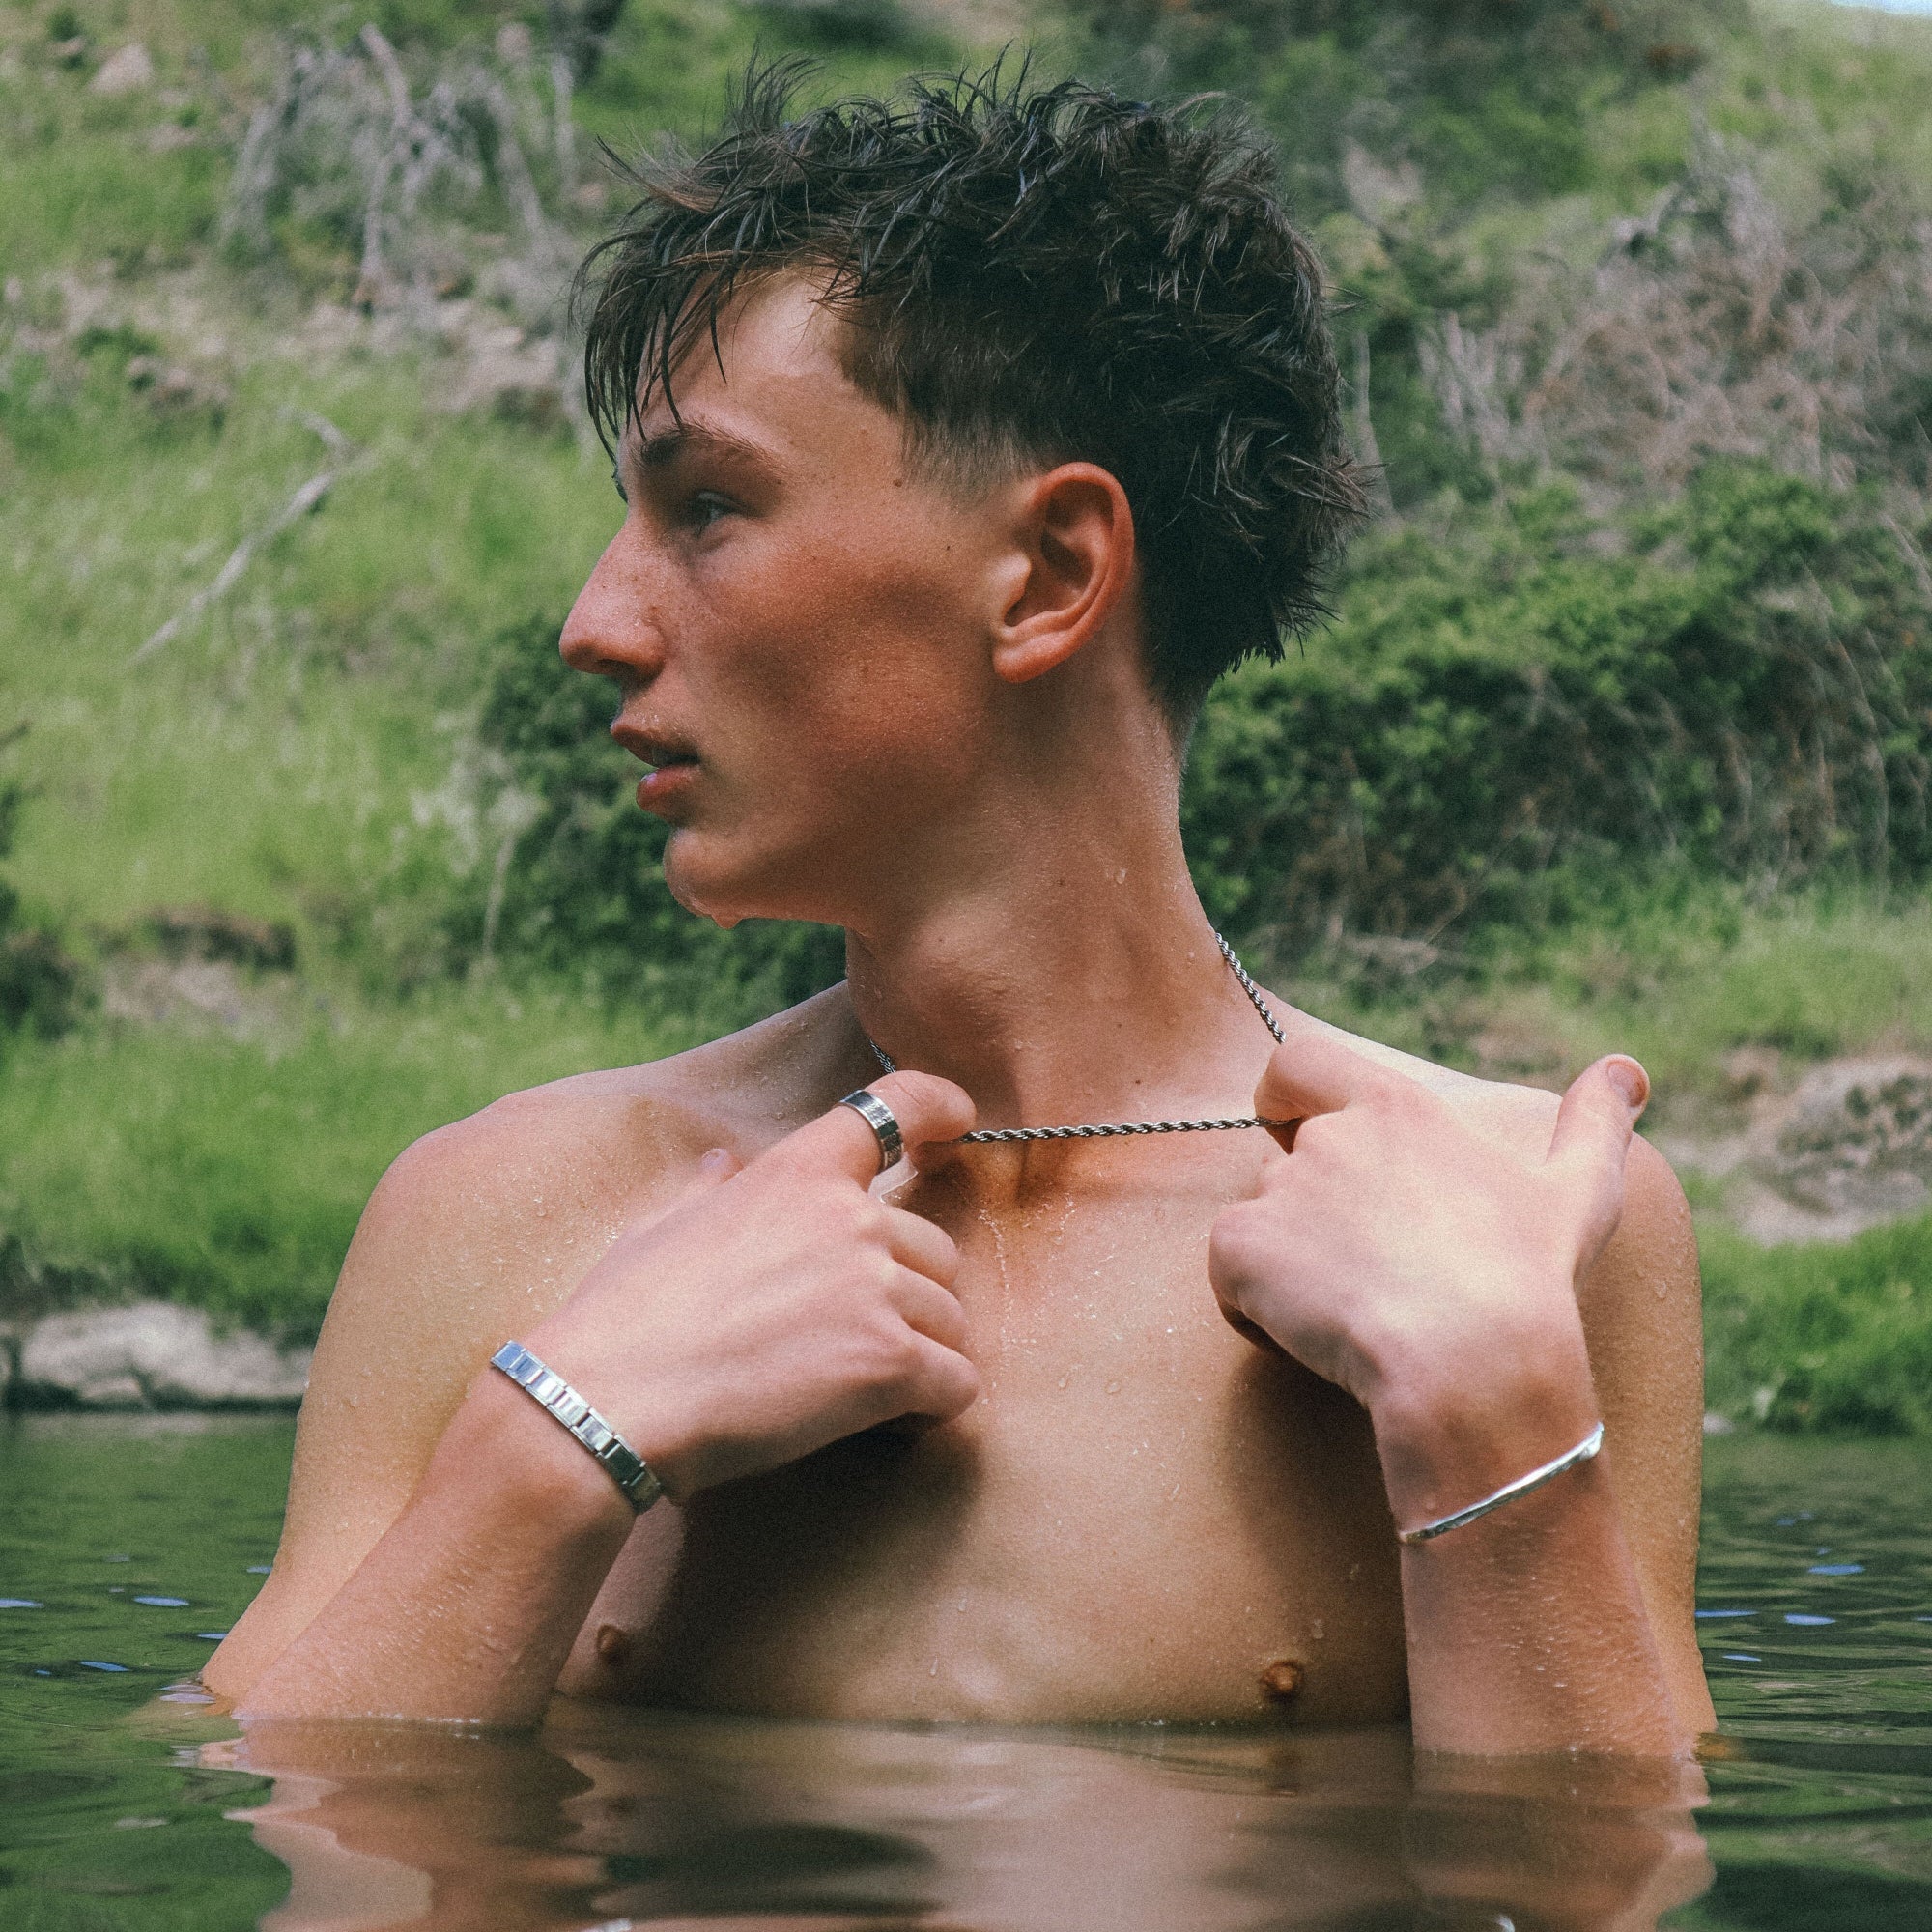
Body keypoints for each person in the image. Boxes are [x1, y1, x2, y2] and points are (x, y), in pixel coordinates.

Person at [205, 70, 1715, 1757]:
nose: (595, 620)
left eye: (709, 506)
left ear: (1051, 573)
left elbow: (1599, 1885)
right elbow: (284, 1842)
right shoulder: (496, 1218)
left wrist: (1493, 1415)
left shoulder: (1527, 1229)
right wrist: (558, 1441)